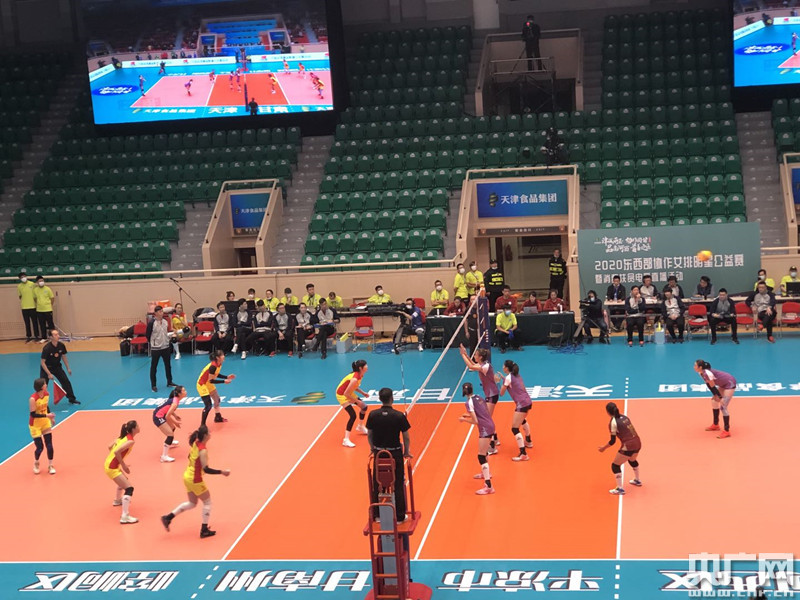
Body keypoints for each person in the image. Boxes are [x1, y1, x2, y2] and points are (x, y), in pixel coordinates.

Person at [161, 424, 230, 538]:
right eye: (209, 432)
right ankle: (204, 530)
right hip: (195, 479)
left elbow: (189, 456)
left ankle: (168, 518)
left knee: (192, 503)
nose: (210, 434)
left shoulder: (195, 443)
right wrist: (222, 472)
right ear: (206, 435)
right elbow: (206, 469)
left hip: (187, 476)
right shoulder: (203, 451)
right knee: (207, 502)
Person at [366, 387, 411, 520]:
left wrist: (372, 449)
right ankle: (400, 516)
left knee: (377, 484)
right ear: (392, 398)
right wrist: (406, 452)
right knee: (398, 483)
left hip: (379, 454)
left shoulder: (373, 415)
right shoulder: (399, 416)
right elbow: (406, 437)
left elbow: (369, 434)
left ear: (380, 399)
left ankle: (377, 515)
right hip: (395, 454)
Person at [460, 345, 500, 452]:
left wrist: (462, 355)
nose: (474, 356)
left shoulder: (486, 366)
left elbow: (471, 367)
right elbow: (473, 365)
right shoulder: (483, 364)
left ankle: (492, 447)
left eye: (476, 355)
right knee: (488, 418)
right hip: (490, 394)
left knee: (486, 420)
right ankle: (495, 439)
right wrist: (466, 355)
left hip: (492, 395)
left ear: (481, 357)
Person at [459, 382, 496, 495]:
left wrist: (464, 419)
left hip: (484, 428)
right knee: (485, 452)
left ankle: (488, 486)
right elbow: (483, 412)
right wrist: (468, 415)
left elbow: (475, 421)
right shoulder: (479, 397)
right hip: (490, 425)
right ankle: (485, 473)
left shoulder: (468, 403)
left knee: (481, 456)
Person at [597, 402, 642, 495]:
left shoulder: (613, 422)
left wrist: (603, 448)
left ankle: (620, 489)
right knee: (632, 460)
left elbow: (612, 441)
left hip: (628, 445)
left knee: (615, 465)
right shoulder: (624, 417)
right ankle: (637, 480)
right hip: (638, 442)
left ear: (607, 412)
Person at [104, 420, 140, 524]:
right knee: (129, 489)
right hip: (112, 467)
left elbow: (110, 447)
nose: (139, 427)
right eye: (138, 426)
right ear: (133, 429)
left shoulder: (122, 437)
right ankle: (125, 516)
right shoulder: (130, 441)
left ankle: (117, 500)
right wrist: (123, 465)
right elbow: (116, 451)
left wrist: (118, 461)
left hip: (109, 464)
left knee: (124, 481)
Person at [498, 360, 533, 461]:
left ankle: (523, 454)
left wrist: (498, 382)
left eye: (503, 366)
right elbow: (511, 383)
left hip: (522, 404)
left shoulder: (508, 378)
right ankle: (528, 441)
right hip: (528, 401)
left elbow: (501, 393)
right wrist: (504, 379)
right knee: (522, 420)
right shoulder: (517, 375)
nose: (502, 367)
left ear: (506, 368)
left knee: (514, 428)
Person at [694, 359, 737, 439]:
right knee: (714, 401)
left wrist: (720, 398)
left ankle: (727, 431)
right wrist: (716, 395)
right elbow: (709, 385)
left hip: (729, 383)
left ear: (700, 367)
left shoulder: (707, 373)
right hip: (723, 384)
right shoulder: (701, 373)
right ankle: (716, 425)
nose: (694, 367)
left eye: (695, 365)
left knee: (723, 407)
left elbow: (713, 386)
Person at [40, 329, 78, 404]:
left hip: (57, 367)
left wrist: (68, 368)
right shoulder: (47, 348)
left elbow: (63, 356)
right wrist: (49, 374)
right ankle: (43, 403)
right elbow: (42, 363)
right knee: (43, 386)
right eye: (55, 335)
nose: (58, 336)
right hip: (46, 368)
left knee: (66, 382)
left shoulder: (61, 345)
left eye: (58, 334)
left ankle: (71, 398)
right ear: (51, 337)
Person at [197, 350, 234, 426]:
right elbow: (211, 380)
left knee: (217, 400)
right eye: (222, 355)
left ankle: (218, 417)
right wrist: (224, 381)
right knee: (208, 406)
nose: (224, 356)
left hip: (208, 383)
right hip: (202, 384)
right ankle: (202, 425)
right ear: (217, 357)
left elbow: (216, 374)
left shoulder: (219, 364)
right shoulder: (213, 366)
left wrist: (227, 377)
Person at [338, 360, 370, 447]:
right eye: (365, 365)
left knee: (364, 407)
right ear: (360, 368)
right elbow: (346, 394)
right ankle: (346, 440)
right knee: (353, 415)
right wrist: (357, 401)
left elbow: (354, 387)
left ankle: (360, 426)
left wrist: (363, 393)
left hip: (348, 392)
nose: (367, 366)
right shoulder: (355, 378)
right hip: (342, 395)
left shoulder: (360, 375)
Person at [28, 377, 56, 475]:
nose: (46, 385)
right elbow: (33, 414)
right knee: (40, 447)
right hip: (35, 424)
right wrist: (47, 416)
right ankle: (36, 463)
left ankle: (50, 465)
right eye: (44, 384)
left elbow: (46, 406)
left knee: (49, 445)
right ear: (41, 387)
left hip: (45, 422)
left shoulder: (47, 394)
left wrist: (50, 417)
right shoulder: (33, 399)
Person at [147, 306, 176, 392]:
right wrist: (153, 342)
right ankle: (153, 385)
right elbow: (148, 335)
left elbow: (166, 332)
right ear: (155, 313)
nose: (161, 313)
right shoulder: (151, 323)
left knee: (168, 365)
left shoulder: (165, 321)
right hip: (156, 348)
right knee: (154, 366)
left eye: (162, 311)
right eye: (159, 311)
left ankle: (169, 381)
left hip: (165, 346)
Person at [153, 385, 184, 462]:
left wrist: (175, 415)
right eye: (184, 390)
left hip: (161, 414)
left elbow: (168, 409)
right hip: (158, 417)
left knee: (172, 428)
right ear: (179, 394)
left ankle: (170, 442)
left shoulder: (175, 399)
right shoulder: (175, 402)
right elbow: (167, 416)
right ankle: (164, 456)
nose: (185, 392)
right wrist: (175, 422)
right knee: (170, 435)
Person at [18, 272, 39, 342]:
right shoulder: (19, 286)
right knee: (27, 323)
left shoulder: (32, 284)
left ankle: (36, 336)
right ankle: (29, 336)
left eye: (24, 276)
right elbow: (20, 296)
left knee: (35, 322)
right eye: (21, 277)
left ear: (26, 276)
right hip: (24, 307)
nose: (23, 278)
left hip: (33, 306)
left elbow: (36, 293)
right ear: (20, 279)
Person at [33, 275, 55, 342]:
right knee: (42, 325)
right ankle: (44, 338)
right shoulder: (35, 290)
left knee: (50, 324)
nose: (41, 282)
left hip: (48, 309)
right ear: (37, 282)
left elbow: (52, 298)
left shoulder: (48, 289)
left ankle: (53, 337)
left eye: (42, 280)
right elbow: (35, 299)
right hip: (39, 310)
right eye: (40, 281)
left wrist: (49, 305)